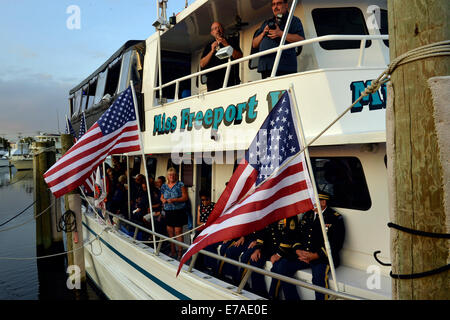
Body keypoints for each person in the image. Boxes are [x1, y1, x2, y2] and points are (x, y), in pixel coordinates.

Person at [269, 192, 345, 300]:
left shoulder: (334, 218)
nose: (311, 203)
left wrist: (315, 255)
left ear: (323, 202)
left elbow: (336, 244)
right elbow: (297, 236)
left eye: (314, 201)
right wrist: (298, 250)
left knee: (318, 278)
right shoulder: (308, 215)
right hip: (304, 255)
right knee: (282, 266)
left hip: (323, 257)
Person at [240, 216, 299, 298]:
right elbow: (263, 231)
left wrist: (279, 254)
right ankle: (259, 293)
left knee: (278, 267)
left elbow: (290, 236)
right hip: (269, 248)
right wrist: (258, 248)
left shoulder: (289, 213)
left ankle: (273, 295)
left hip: (284, 250)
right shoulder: (271, 209)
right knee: (255, 260)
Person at [252, 0, 305, 79]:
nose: (275, 7)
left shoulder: (293, 20)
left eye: (279, 3)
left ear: (286, 5)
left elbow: (301, 39)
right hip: (266, 67)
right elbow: (254, 44)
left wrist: (280, 33)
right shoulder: (267, 23)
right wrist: (263, 33)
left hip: (284, 66)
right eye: (273, 4)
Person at [200, 21, 243, 91]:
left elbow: (239, 56)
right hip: (213, 85)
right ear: (212, 33)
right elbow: (202, 64)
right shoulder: (209, 46)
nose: (217, 30)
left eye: (219, 27)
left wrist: (226, 44)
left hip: (230, 83)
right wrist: (212, 51)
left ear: (223, 30)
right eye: (215, 28)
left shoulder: (231, 41)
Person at [160, 168, 189, 260]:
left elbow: (185, 197)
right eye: (170, 175)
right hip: (168, 211)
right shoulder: (164, 186)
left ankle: (180, 252)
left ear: (176, 175)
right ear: (167, 176)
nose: (171, 176)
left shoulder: (180, 184)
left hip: (178, 211)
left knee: (178, 232)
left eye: (173, 175)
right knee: (170, 232)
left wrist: (174, 200)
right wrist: (163, 200)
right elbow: (161, 197)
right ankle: (173, 251)